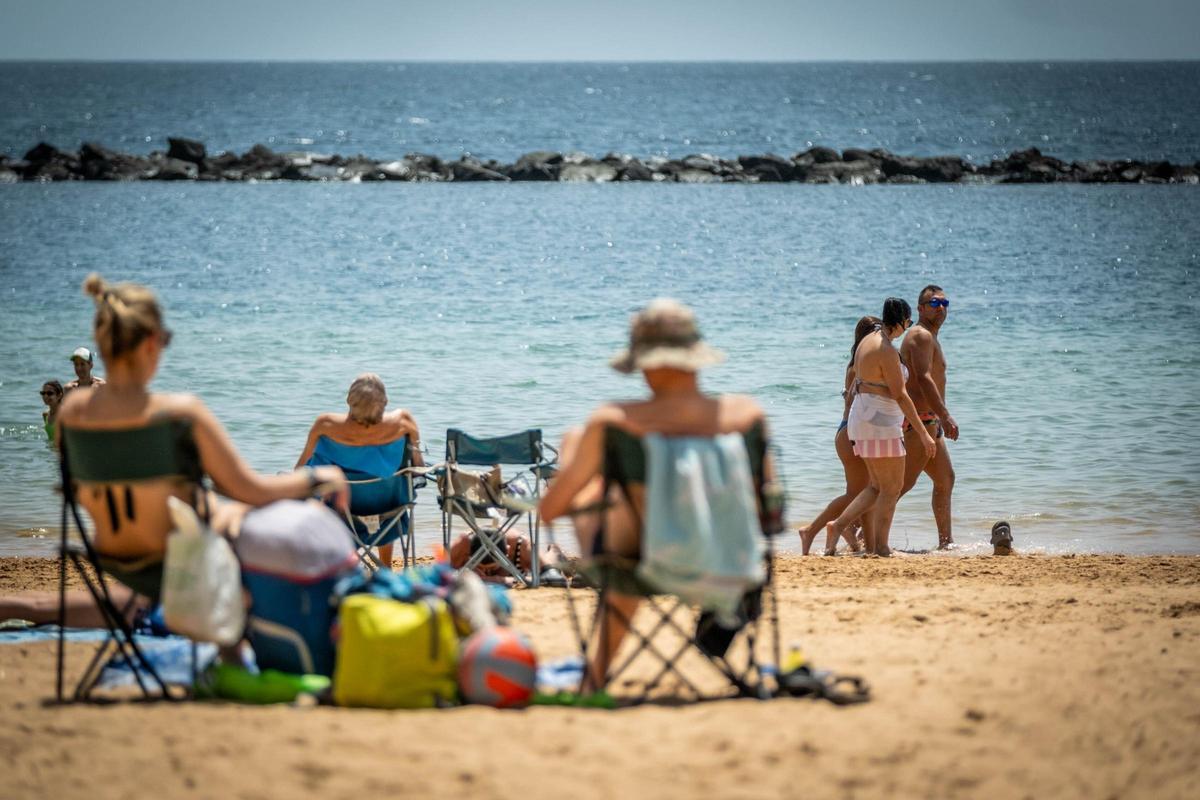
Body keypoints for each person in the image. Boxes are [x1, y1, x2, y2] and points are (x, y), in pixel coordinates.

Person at [538, 298, 772, 687]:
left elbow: (550, 510)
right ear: (695, 356)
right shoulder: (748, 416)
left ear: (644, 361)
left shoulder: (616, 421)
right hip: (733, 564)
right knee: (636, 521)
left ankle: (595, 675)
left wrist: (576, 471)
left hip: (643, 566)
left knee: (584, 460)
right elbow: (770, 509)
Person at [56, 273, 348, 563]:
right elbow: (251, 491)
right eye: (165, 341)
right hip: (183, 559)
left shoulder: (71, 413)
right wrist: (319, 476)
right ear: (150, 343)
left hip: (113, 557)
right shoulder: (181, 414)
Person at [825, 298, 935, 557]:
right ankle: (883, 548)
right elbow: (900, 394)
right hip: (881, 422)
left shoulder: (867, 340)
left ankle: (837, 526)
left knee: (876, 486)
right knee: (891, 488)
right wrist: (923, 433)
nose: (907, 328)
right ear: (899, 321)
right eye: (907, 323)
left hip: (861, 419)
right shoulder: (885, 348)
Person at [295, 372, 423, 569]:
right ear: (385, 401)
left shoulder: (326, 426)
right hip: (391, 512)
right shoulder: (404, 423)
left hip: (343, 513)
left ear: (349, 400)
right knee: (387, 487)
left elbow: (301, 471)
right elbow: (418, 469)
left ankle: (347, 561)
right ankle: (385, 566)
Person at [798, 316, 879, 555]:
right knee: (859, 493)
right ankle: (813, 530)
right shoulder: (859, 366)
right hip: (850, 434)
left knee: (864, 490)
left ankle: (859, 541)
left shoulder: (857, 363)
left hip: (848, 431)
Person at [900, 284, 959, 549]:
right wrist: (945, 416)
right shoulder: (921, 335)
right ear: (921, 309)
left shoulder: (930, 336)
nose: (941, 309)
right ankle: (859, 531)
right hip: (917, 422)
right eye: (934, 304)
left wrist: (939, 420)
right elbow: (923, 379)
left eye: (945, 304)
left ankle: (946, 543)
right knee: (898, 486)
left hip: (929, 421)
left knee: (945, 478)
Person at [447, 530, 565, 584]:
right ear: (469, 554)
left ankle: (555, 552)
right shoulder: (461, 546)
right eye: (481, 567)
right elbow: (439, 573)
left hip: (520, 561)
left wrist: (493, 579)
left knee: (550, 564)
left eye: (492, 568)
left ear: (507, 552)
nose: (487, 571)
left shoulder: (521, 545)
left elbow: (550, 578)